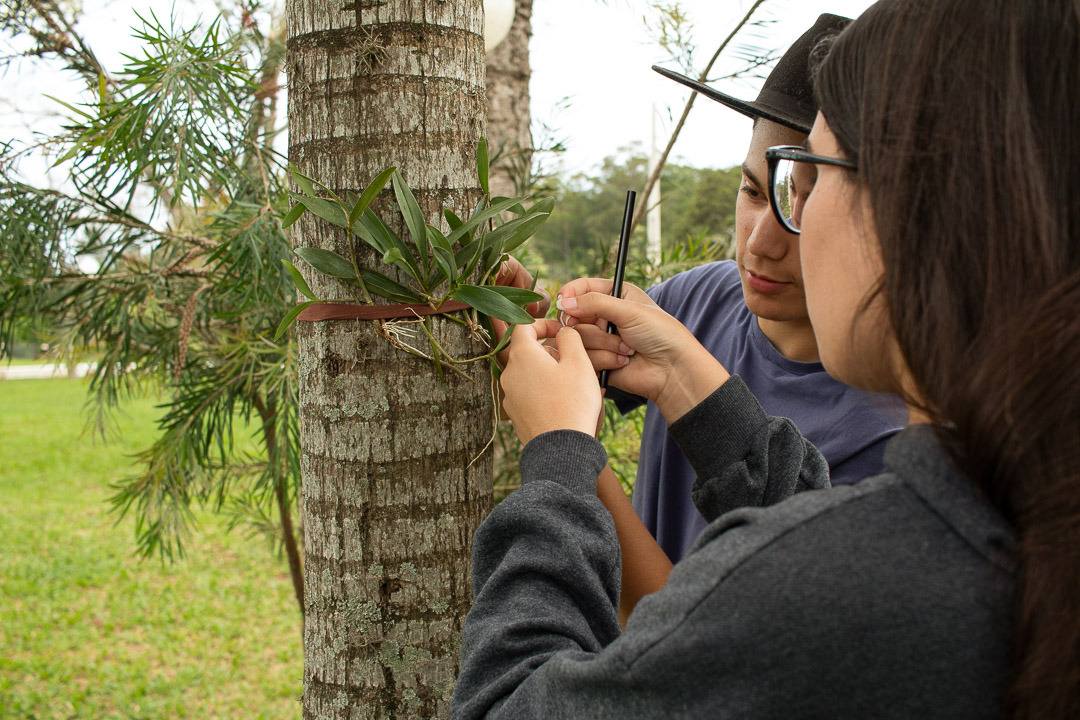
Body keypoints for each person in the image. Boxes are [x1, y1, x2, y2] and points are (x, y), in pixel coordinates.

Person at [452, 0, 1080, 717]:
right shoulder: (1010, 511)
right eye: (764, 188)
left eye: (809, 180)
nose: (770, 237)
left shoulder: (833, 580)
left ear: (912, 212)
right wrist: (678, 379)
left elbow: (507, 703)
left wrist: (563, 459)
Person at [612, 14, 905, 570]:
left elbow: (691, 621)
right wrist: (530, 324)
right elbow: (575, 371)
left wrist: (572, 459)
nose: (760, 244)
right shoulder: (698, 297)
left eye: (804, 205)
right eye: (752, 191)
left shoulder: (887, 437)